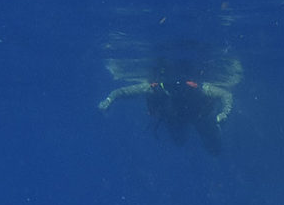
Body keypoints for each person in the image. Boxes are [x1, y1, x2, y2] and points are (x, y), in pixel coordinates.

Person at [98, 60, 236, 154]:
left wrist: (224, 114)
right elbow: (121, 92)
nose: (177, 89)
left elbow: (225, 95)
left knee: (214, 149)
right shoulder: (154, 88)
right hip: (177, 120)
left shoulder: (199, 88)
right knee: (179, 142)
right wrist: (109, 100)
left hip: (198, 117)